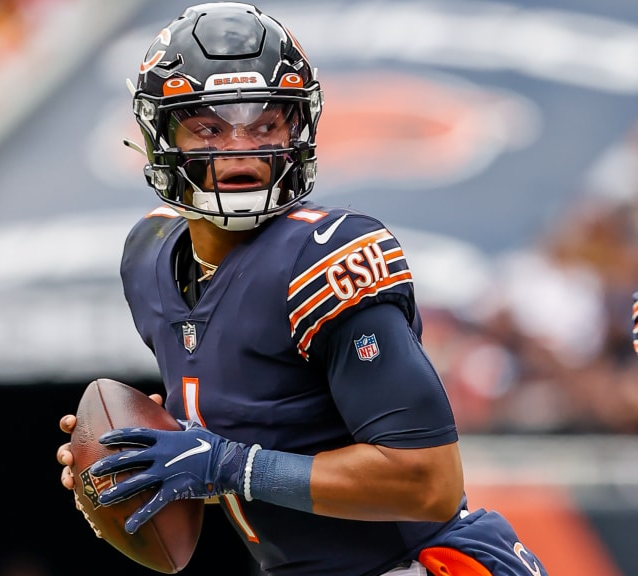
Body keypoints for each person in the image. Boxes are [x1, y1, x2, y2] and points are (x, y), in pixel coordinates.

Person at [56, 3, 549, 575]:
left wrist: (225, 467)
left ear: (299, 129)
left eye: (266, 124)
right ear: (159, 135)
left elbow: (428, 482)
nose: (240, 150)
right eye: (209, 127)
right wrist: (144, 463)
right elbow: (263, 436)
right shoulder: (149, 257)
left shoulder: (325, 257)